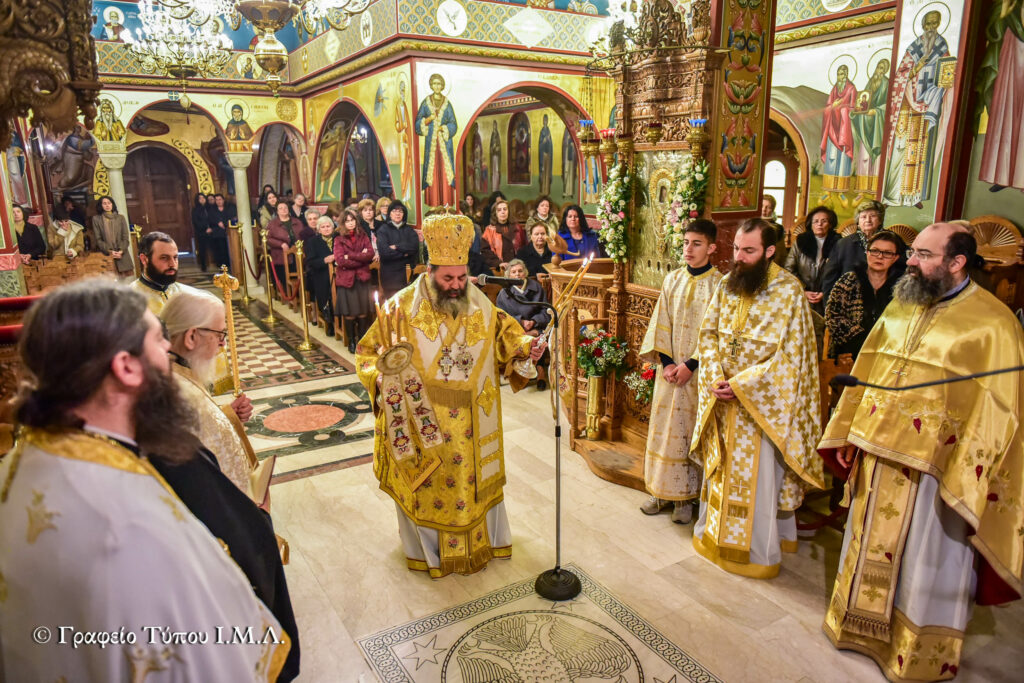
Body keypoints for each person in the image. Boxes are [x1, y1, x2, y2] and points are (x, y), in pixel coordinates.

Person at [0, 280, 291, 680]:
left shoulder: (25, 459)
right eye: (158, 341)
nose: (168, 352)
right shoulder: (127, 520)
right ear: (125, 366)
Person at [819, 224, 1024, 682]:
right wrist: (852, 433)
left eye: (923, 255)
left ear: (956, 262)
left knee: (926, 562)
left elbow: (1001, 413)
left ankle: (914, 653)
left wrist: (966, 472)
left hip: (937, 474)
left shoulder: (995, 326)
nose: (909, 262)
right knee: (865, 542)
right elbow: (872, 367)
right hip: (877, 455)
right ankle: (854, 626)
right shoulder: (904, 301)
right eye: (912, 252)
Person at [355, 212, 546, 578]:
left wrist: (526, 346)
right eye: (448, 278)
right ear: (430, 271)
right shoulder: (401, 307)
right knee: (429, 486)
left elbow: (503, 334)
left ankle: (483, 544)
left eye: (461, 276)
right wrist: (382, 381)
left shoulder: (477, 300)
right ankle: (429, 554)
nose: (458, 285)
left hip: (474, 420)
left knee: (473, 485)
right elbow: (368, 355)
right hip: (425, 423)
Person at [690, 219, 824, 578]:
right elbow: (708, 334)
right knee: (722, 472)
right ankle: (712, 536)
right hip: (723, 395)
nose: (739, 257)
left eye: (748, 250)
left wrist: (744, 386)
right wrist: (716, 375)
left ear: (769, 251)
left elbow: (791, 357)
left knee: (758, 480)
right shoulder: (726, 284)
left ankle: (755, 552)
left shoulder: (789, 291)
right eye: (736, 248)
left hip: (760, 407)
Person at [638, 219, 723, 524]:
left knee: (689, 433)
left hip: (697, 375)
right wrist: (668, 362)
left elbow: (717, 333)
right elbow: (661, 323)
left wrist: (691, 365)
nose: (689, 249)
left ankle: (685, 499)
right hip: (670, 372)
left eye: (697, 243)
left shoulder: (720, 285)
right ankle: (660, 492)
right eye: (686, 242)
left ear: (711, 247)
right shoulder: (672, 279)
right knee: (663, 430)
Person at [161, 290, 257, 498]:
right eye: (219, 334)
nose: (223, 344)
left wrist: (228, 415)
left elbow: (202, 430)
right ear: (192, 336)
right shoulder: (176, 391)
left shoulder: (177, 370)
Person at [823, 230, 901, 360]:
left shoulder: (901, 287)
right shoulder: (849, 280)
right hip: (849, 353)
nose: (880, 256)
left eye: (887, 253)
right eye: (875, 251)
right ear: (867, 252)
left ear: (895, 258)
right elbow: (833, 316)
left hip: (888, 352)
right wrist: (862, 340)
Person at [823, 200, 906, 303]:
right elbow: (829, 278)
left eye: (872, 216)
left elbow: (903, 271)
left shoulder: (894, 241)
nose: (868, 220)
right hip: (850, 302)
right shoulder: (843, 244)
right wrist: (830, 305)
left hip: (884, 301)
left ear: (880, 220)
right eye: (863, 217)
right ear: (858, 222)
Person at [495, 259, 551, 390]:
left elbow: (546, 311)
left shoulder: (536, 287)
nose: (517, 274)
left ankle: (540, 370)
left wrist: (534, 321)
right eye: (513, 272)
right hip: (515, 330)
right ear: (508, 275)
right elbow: (501, 318)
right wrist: (521, 321)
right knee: (523, 338)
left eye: (520, 271)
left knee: (537, 337)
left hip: (537, 326)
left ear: (525, 273)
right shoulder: (503, 294)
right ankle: (521, 374)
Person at [784, 206, 840, 317]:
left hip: (829, 297)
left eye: (824, 221)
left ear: (830, 224)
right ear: (810, 224)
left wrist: (826, 292)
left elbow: (841, 272)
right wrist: (803, 290)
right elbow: (789, 269)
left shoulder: (838, 242)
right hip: (801, 295)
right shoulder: (801, 241)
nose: (819, 224)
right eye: (816, 221)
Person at [332, 211, 374, 352]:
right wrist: (359, 258)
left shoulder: (363, 235)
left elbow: (370, 254)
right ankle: (351, 340)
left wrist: (349, 255)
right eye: (347, 221)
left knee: (363, 312)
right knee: (350, 312)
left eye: (352, 220)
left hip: (362, 278)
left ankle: (361, 341)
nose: (351, 223)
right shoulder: (338, 239)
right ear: (342, 223)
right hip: (347, 280)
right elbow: (340, 260)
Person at [129, 231, 200, 313]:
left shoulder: (187, 294)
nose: (172, 264)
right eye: (164, 258)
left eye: (175, 257)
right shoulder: (129, 301)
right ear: (144, 259)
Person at [375, 199, 419, 299]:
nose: (397, 214)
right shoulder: (383, 230)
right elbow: (385, 253)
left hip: (407, 274)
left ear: (404, 214)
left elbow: (414, 248)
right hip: (390, 275)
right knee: (392, 307)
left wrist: (396, 247)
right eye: (394, 211)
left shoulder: (409, 230)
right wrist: (404, 254)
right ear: (389, 214)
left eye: (400, 211)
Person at [266, 200, 301, 297]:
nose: (283, 210)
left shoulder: (296, 221)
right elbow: (267, 238)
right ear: (277, 211)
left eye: (285, 208)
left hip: (296, 254)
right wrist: (280, 244)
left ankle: (297, 294)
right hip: (280, 255)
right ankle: (286, 294)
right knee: (283, 275)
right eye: (280, 208)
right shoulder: (272, 224)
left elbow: (302, 235)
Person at [91, 195, 132, 276]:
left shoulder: (120, 218)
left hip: (121, 255)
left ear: (112, 204)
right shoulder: (96, 219)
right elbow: (98, 239)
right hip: (106, 254)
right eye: (104, 203)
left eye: (109, 203)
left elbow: (125, 237)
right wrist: (110, 251)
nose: (107, 205)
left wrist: (120, 251)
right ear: (101, 205)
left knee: (123, 284)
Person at [481, 199, 526, 270]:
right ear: (495, 213)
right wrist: (498, 263)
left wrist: (518, 263)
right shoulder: (489, 230)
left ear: (508, 211)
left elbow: (524, 247)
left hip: (517, 267)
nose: (502, 212)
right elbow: (485, 252)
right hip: (499, 268)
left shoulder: (517, 227)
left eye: (505, 209)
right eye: (499, 210)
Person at [206, 193, 235, 269]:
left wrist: (224, 223)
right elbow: (210, 220)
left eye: (220, 199)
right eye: (216, 200)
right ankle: (221, 266)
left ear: (223, 200)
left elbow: (232, 218)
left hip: (228, 232)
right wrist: (217, 222)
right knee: (219, 250)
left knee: (228, 249)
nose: (218, 201)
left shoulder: (229, 208)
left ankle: (229, 265)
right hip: (217, 233)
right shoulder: (212, 210)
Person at [761, 193, 788, 264]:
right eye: (762, 206)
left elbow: (781, 253)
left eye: (768, 207)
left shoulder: (778, 228)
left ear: (772, 210)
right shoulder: (750, 224)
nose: (764, 209)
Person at [192, 193, 212, 271]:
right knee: (202, 249)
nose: (202, 199)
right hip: (201, 232)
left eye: (203, 197)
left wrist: (211, 228)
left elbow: (212, 218)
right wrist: (205, 229)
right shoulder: (195, 209)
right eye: (200, 198)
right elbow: (196, 222)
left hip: (211, 230)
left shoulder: (209, 208)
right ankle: (203, 265)